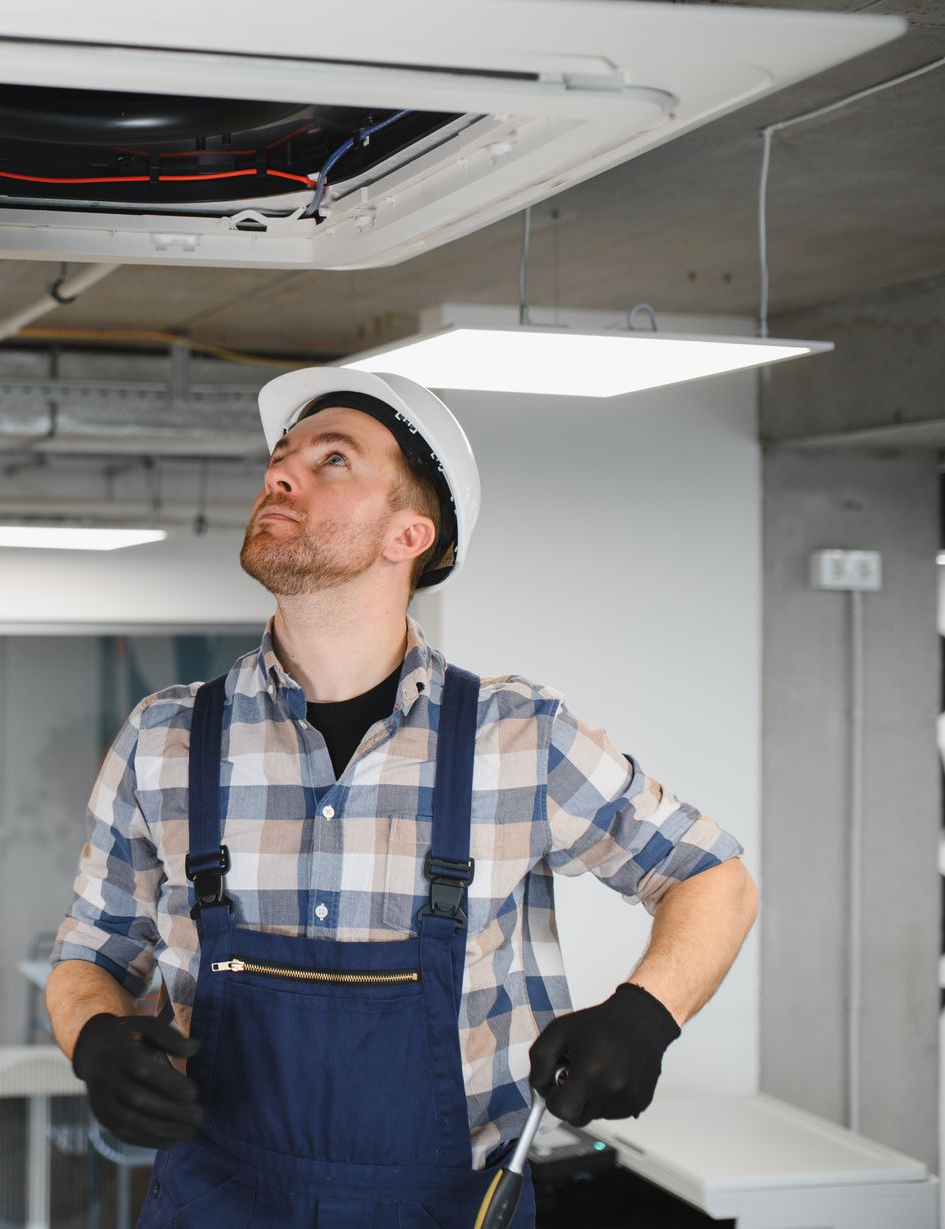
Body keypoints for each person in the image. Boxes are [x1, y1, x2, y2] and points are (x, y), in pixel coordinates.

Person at [44, 366, 758, 1228]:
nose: (280, 474)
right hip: (215, 1201)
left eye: (332, 459)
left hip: (444, 1208)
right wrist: (93, 1035)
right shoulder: (165, 737)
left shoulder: (519, 736)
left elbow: (714, 875)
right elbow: (92, 949)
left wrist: (646, 1015)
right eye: (281, 456)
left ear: (409, 534)